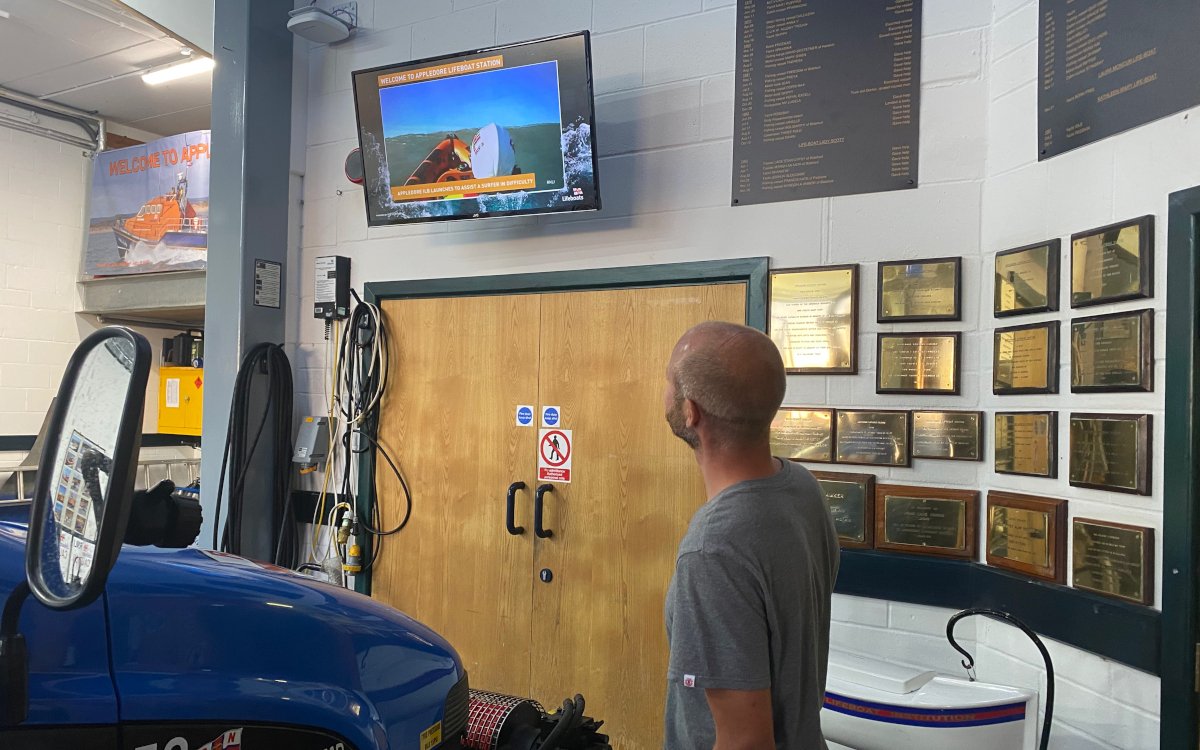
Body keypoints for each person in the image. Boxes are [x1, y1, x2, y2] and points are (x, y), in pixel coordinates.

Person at [662, 321, 839, 750]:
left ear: (691, 411)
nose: (663, 390)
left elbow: (745, 742)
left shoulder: (713, 550)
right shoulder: (800, 487)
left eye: (668, 380)